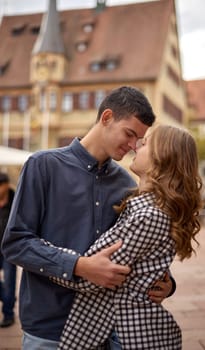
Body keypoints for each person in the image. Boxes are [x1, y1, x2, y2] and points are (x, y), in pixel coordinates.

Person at [2, 86, 175, 349]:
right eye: (129, 134)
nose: (132, 147)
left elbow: (138, 248)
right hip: (48, 328)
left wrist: (167, 284)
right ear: (107, 117)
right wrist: (79, 266)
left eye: (138, 140)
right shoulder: (42, 165)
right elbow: (15, 243)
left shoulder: (127, 184)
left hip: (107, 329)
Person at [44, 124, 203, 350]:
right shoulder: (146, 208)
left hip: (129, 336)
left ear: (163, 157)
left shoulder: (147, 216)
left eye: (145, 143)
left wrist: (43, 256)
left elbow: (90, 277)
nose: (136, 147)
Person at [0, 172, 16, 327]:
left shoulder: (15, 200)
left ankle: (9, 315)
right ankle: (7, 298)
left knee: (10, 283)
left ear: (5, 185)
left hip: (9, 250)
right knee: (6, 289)